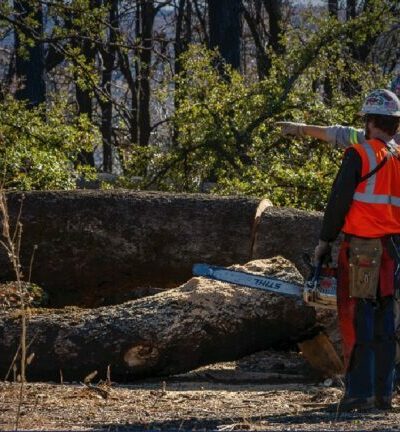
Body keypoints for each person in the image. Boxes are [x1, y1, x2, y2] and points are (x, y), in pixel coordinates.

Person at [312, 89, 400, 411]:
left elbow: (338, 203)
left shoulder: (359, 154)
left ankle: (359, 394)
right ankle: (383, 394)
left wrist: (324, 242)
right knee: (386, 321)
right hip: (393, 251)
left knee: (359, 318)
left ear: (370, 121)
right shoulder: (399, 158)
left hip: (363, 250)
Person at [277, 74, 400, 148]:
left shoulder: (379, 138)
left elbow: (339, 134)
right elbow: (341, 134)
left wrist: (302, 129)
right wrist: (302, 129)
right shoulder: (378, 137)